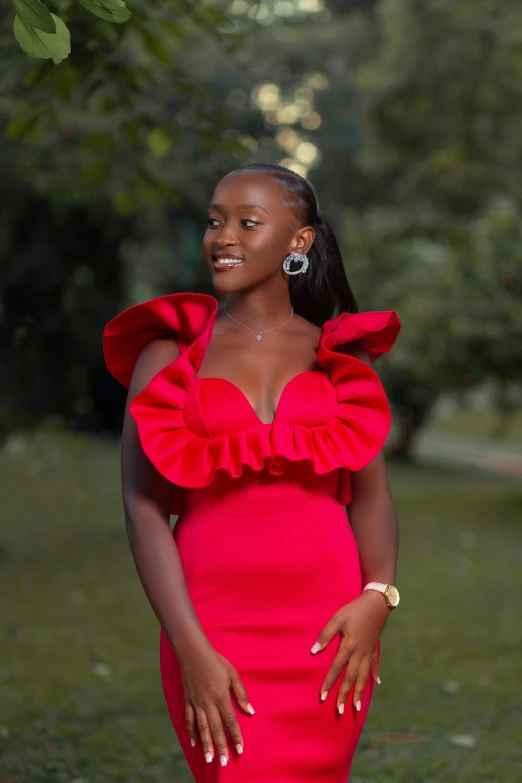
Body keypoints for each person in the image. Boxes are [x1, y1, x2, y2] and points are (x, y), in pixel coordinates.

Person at [102, 162, 401, 782]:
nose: (223, 237)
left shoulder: (338, 353)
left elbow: (371, 498)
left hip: (327, 627)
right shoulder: (171, 349)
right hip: (212, 623)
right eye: (215, 221)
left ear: (300, 240)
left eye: (247, 222)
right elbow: (143, 507)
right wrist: (189, 646)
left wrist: (379, 597)